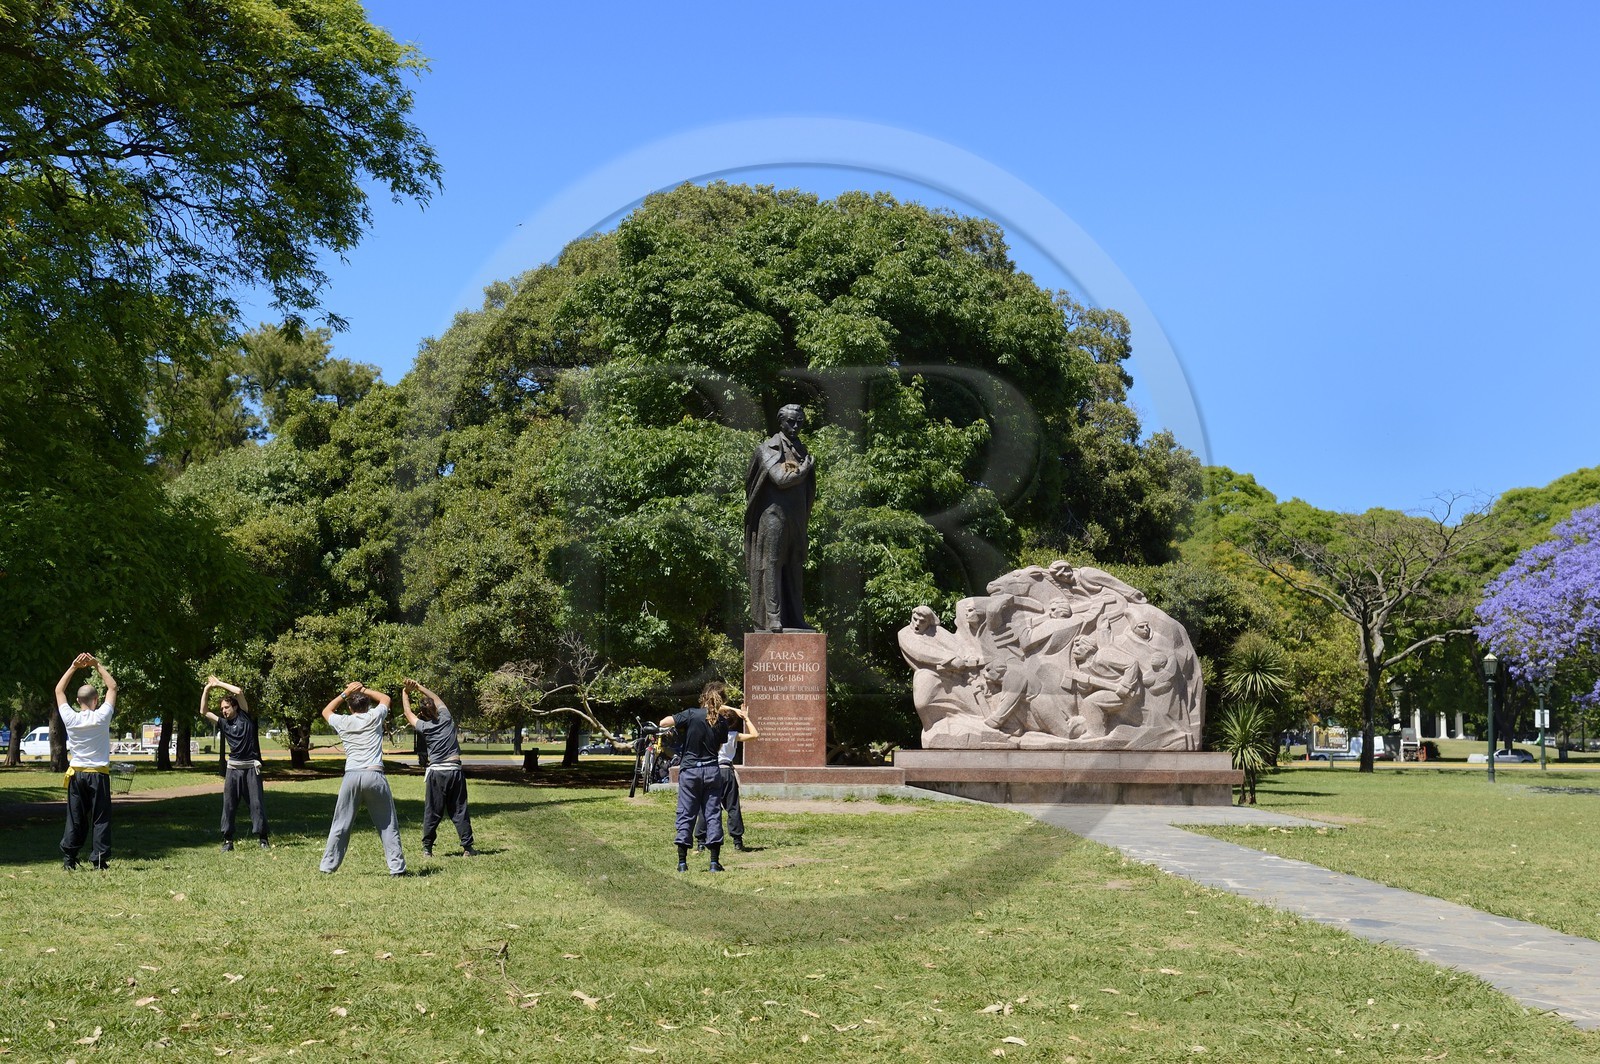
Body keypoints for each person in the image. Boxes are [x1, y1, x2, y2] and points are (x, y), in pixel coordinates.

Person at [318, 681, 406, 876]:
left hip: (351, 776)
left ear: (350, 708)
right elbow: (385, 698)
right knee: (387, 824)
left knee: (341, 823)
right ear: (367, 705)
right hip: (374, 774)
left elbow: (326, 711)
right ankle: (396, 868)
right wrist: (363, 689)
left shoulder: (343, 721)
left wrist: (345, 693)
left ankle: (327, 867)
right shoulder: (375, 716)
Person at [744, 403, 816, 631]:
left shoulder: (802, 450)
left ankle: (795, 617)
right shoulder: (767, 448)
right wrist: (804, 470)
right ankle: (773, 616)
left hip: (796, 518)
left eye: (799, 422)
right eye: (791, 422)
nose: (795, 426)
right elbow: (780, 478)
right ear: (781, 422)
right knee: (772, 564)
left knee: (795, 567)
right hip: (773, 517)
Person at [658, 680, 740, 872]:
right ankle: (713, 862)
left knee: (686, 813)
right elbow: (719, 747)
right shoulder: (722, 723)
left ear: (703, 697)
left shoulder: (691, 714)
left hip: (690, 771)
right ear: (722, 700)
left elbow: (664, 722)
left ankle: (682, 863)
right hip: (712, 770)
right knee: (712, 814)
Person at [399, 678, 477, 859]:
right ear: (435, 708)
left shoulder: (424, 727)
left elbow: (407, 712)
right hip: (454, 771)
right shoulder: (447, 718)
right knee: (459, 810)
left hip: (436, 773)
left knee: (432, 811)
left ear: (423, 714)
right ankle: (468, 848)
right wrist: (418, 687)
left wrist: (406, 692)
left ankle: (427, 849)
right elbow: (437, 697)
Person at [54, 653, 117, 871]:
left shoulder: (70, 718)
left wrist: (73, 667)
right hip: (98, 774)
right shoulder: (102, 717)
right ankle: (99, 861)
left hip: (77, 775)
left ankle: (69, 860)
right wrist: (97, 665)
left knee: (75, 818)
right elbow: (113, 687)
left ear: (78, 701)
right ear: (96, 700)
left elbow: (59, 690)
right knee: (100, 818)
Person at [199, 676, 269, 851]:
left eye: (227, 707)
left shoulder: (245, 717)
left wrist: (219, 684)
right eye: (222, 708)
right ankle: (228, 841)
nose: (223, 711)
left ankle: (263, 839)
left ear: (235, 706)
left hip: (251, 768)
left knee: (256, 804)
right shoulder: (223, 723)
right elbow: (203, 711)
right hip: (233, 770)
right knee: (229, 805)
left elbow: (238, 691)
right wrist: (207, 689)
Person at [693, 699, 758, 853]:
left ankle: (701, 842)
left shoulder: (710, 730)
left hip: (711, 770)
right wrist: (745, 717)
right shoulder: (733, 735)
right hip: (727, 771)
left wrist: (733, 708)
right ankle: (737, 841)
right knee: (733, 806)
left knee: (705, 806)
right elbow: (755, 735)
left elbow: (710, 707)